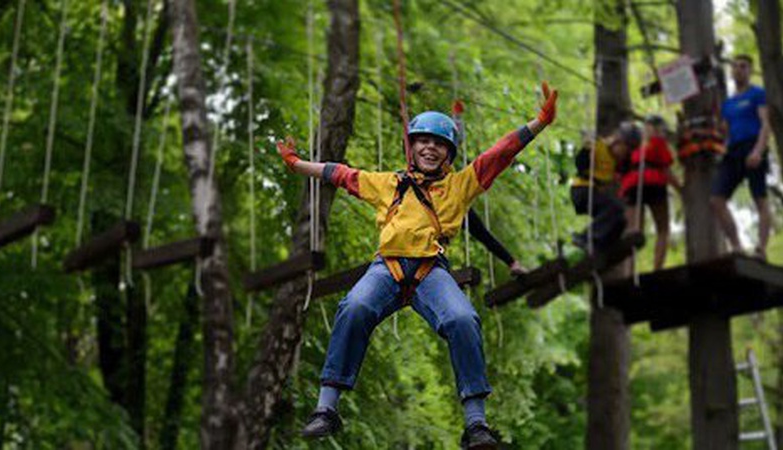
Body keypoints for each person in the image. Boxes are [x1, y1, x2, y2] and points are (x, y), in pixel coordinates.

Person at [277, 82, 557, 448]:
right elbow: (340, 174)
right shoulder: (389, 184)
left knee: (462, 319)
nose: (429, 147)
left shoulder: (460, 186)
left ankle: (476, 423)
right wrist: (298, 166)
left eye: (438, 143)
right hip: (387, 268)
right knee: (355, 306)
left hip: (431, 272)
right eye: (422, 141)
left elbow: (499, 154)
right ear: (411, 147)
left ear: (448, 153)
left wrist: (538, 123)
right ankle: (326, 409)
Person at [711, 54, 772, 259]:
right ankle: (736, 246)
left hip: (753, 147)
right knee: (716, 199)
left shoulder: (758, 93)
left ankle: (761, 249)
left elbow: (765, 123)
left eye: (743, 66)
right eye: (735, 66)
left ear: (750, 71)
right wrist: (719, 132)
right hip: (733, 152)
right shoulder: (727, 103)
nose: (738, 69)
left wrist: (758, 150)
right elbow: (725, 131)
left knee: (760, 199)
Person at [620, 115, 682, 270]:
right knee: (663, 229)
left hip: (632, 184)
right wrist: (681, 190)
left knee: (634, 232)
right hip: (653, 181)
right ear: (658, 129)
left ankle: (629, 270)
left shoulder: (635, 147)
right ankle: (657, 268)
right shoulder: (658, 143)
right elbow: (667, 170)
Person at [570, 122, 642, 251]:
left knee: (620, 220)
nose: (624, 155)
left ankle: (603, 247)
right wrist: (587, 148)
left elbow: (627, 173)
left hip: (593, 192)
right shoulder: (598, 146)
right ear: (617, 141)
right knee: (614, 208)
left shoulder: (617, 162)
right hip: (582, 190)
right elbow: (580, 163)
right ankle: (585, 238)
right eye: (625, 149)